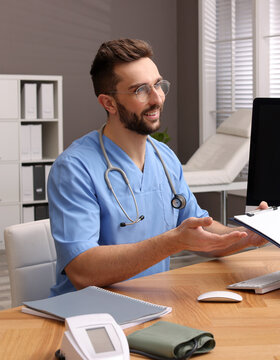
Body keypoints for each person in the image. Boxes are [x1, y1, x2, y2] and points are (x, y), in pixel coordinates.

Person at [48, 38, 267, 296]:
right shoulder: (74, 168)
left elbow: (199, 229)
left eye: (158, 85)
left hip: (152, 304)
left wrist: (247, 235)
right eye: (141, 90)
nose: (157, 99)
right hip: (88, 317)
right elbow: (82, 271)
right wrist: (172, 242)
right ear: (108, 103)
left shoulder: (164, 157)